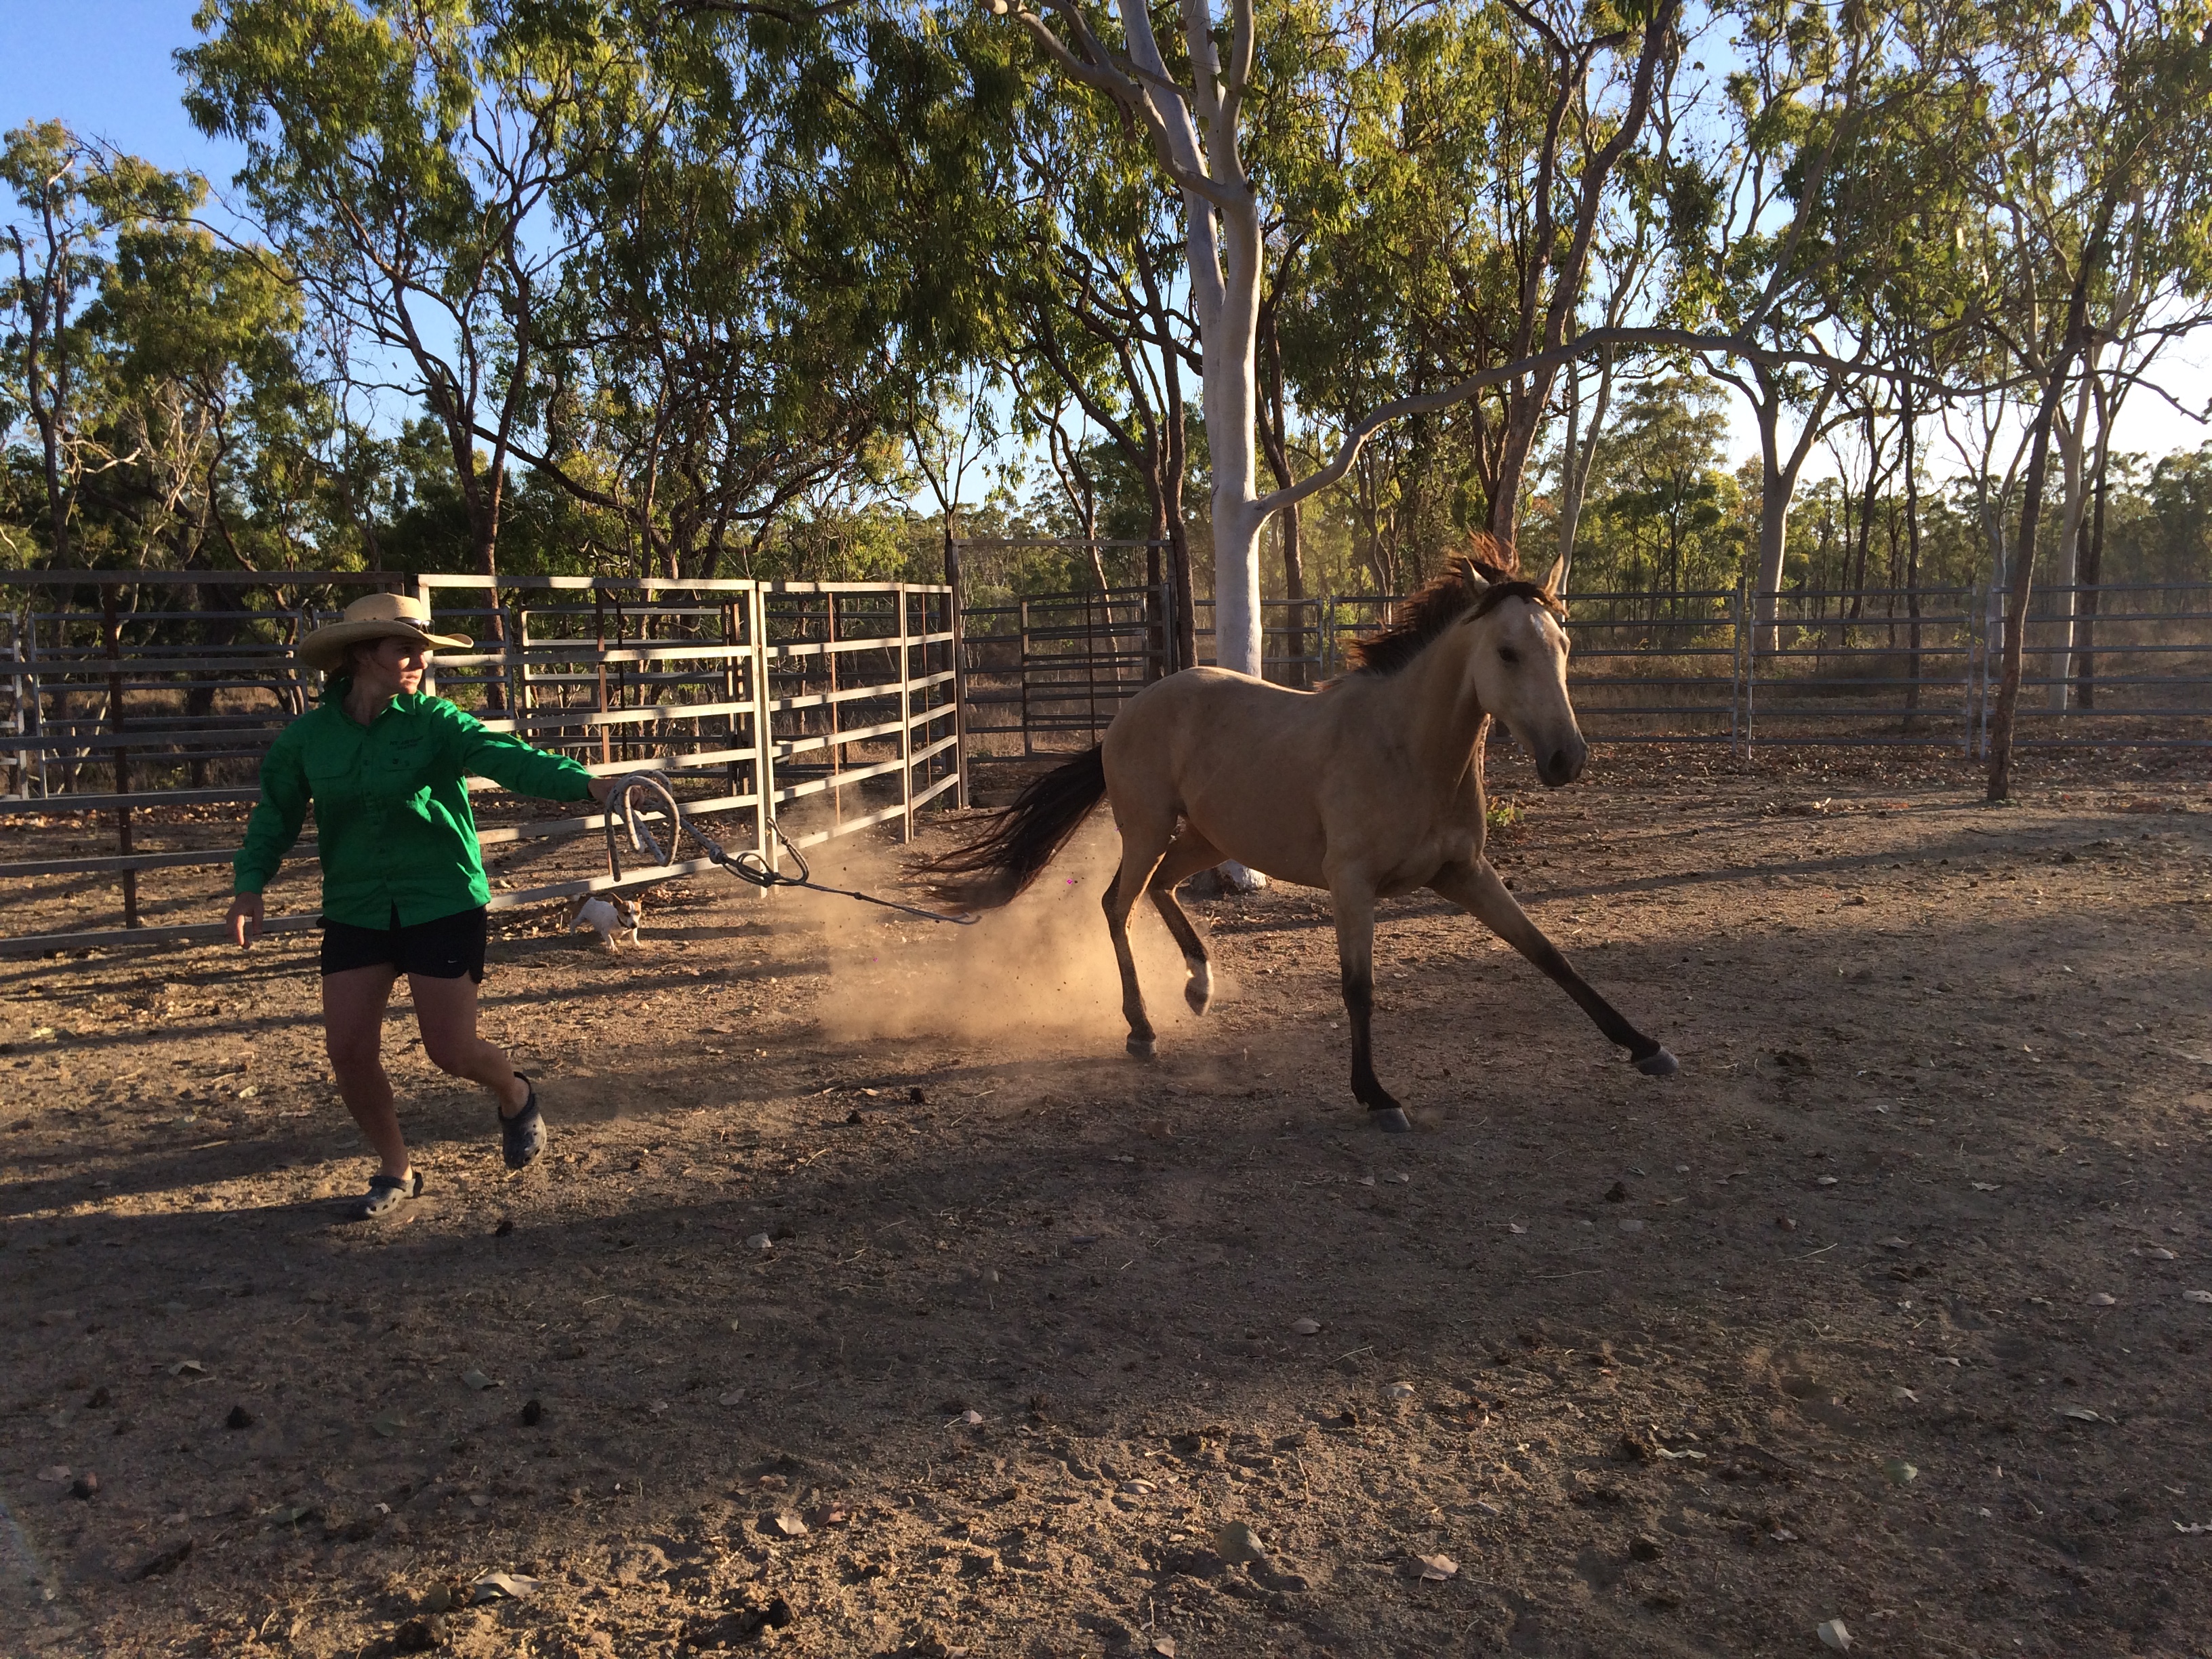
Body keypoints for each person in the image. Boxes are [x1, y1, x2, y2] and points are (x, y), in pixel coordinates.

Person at [226, 592, 623, 1220]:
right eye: (404, 649)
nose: (419, 660)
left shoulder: (438, 722)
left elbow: (510, 759)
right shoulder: (308, 740)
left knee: (451, 1052)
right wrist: (251, 884)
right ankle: (396, 1169)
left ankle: (515, 1092)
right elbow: (275, 814)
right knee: (348, 1051)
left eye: (422, 649)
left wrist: (590, 784)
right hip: (357, 906)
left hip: (441, 899)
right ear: (362, 654)